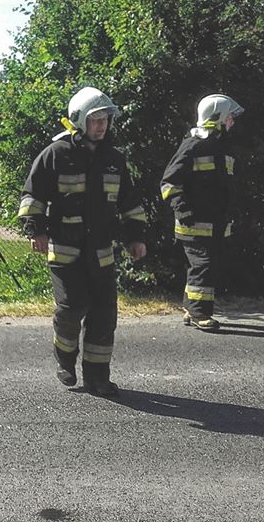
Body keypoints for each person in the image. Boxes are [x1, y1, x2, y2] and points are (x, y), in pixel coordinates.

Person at [19, 87, 147, 396]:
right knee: (72, 308)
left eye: (105, 119)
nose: (101, 126)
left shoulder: (115, 160)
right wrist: (36, 229)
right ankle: (65, 359)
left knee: (104, 317)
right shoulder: (55, 155)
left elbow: (130, 203)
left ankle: (97, 378)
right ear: (79, 121)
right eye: (94, 120)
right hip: (66, 253)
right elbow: (32, 195)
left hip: (101, 255)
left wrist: (136, 238)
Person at [160, 93, 244, 331]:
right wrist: (182, 210)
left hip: (215, 224)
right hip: (194, 224)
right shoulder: (193, 145)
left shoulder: (223, 148)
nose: (232, 123)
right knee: (203, 265)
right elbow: (169, 182)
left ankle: (190, 306)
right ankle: (200, 314)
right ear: (216, 118)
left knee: (205, 266)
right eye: (229, 118)